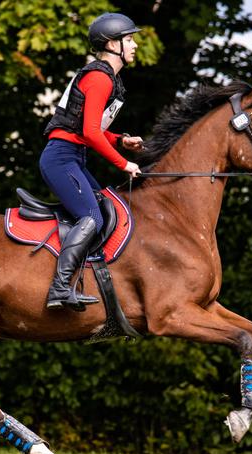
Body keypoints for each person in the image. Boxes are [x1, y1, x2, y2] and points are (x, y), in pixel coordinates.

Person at [40, 12, 145, 311]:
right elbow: (89, 132)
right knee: (93, 218)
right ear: (112, 44)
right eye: (129, 39)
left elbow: (90, 128)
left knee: (105, 209)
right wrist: (123, 163)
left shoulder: (107, 78)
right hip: (61, 158)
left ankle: (88, 278)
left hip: (73, 157)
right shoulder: (99, 78)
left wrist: (120, 140)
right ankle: (60, 288)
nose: (135, 45)